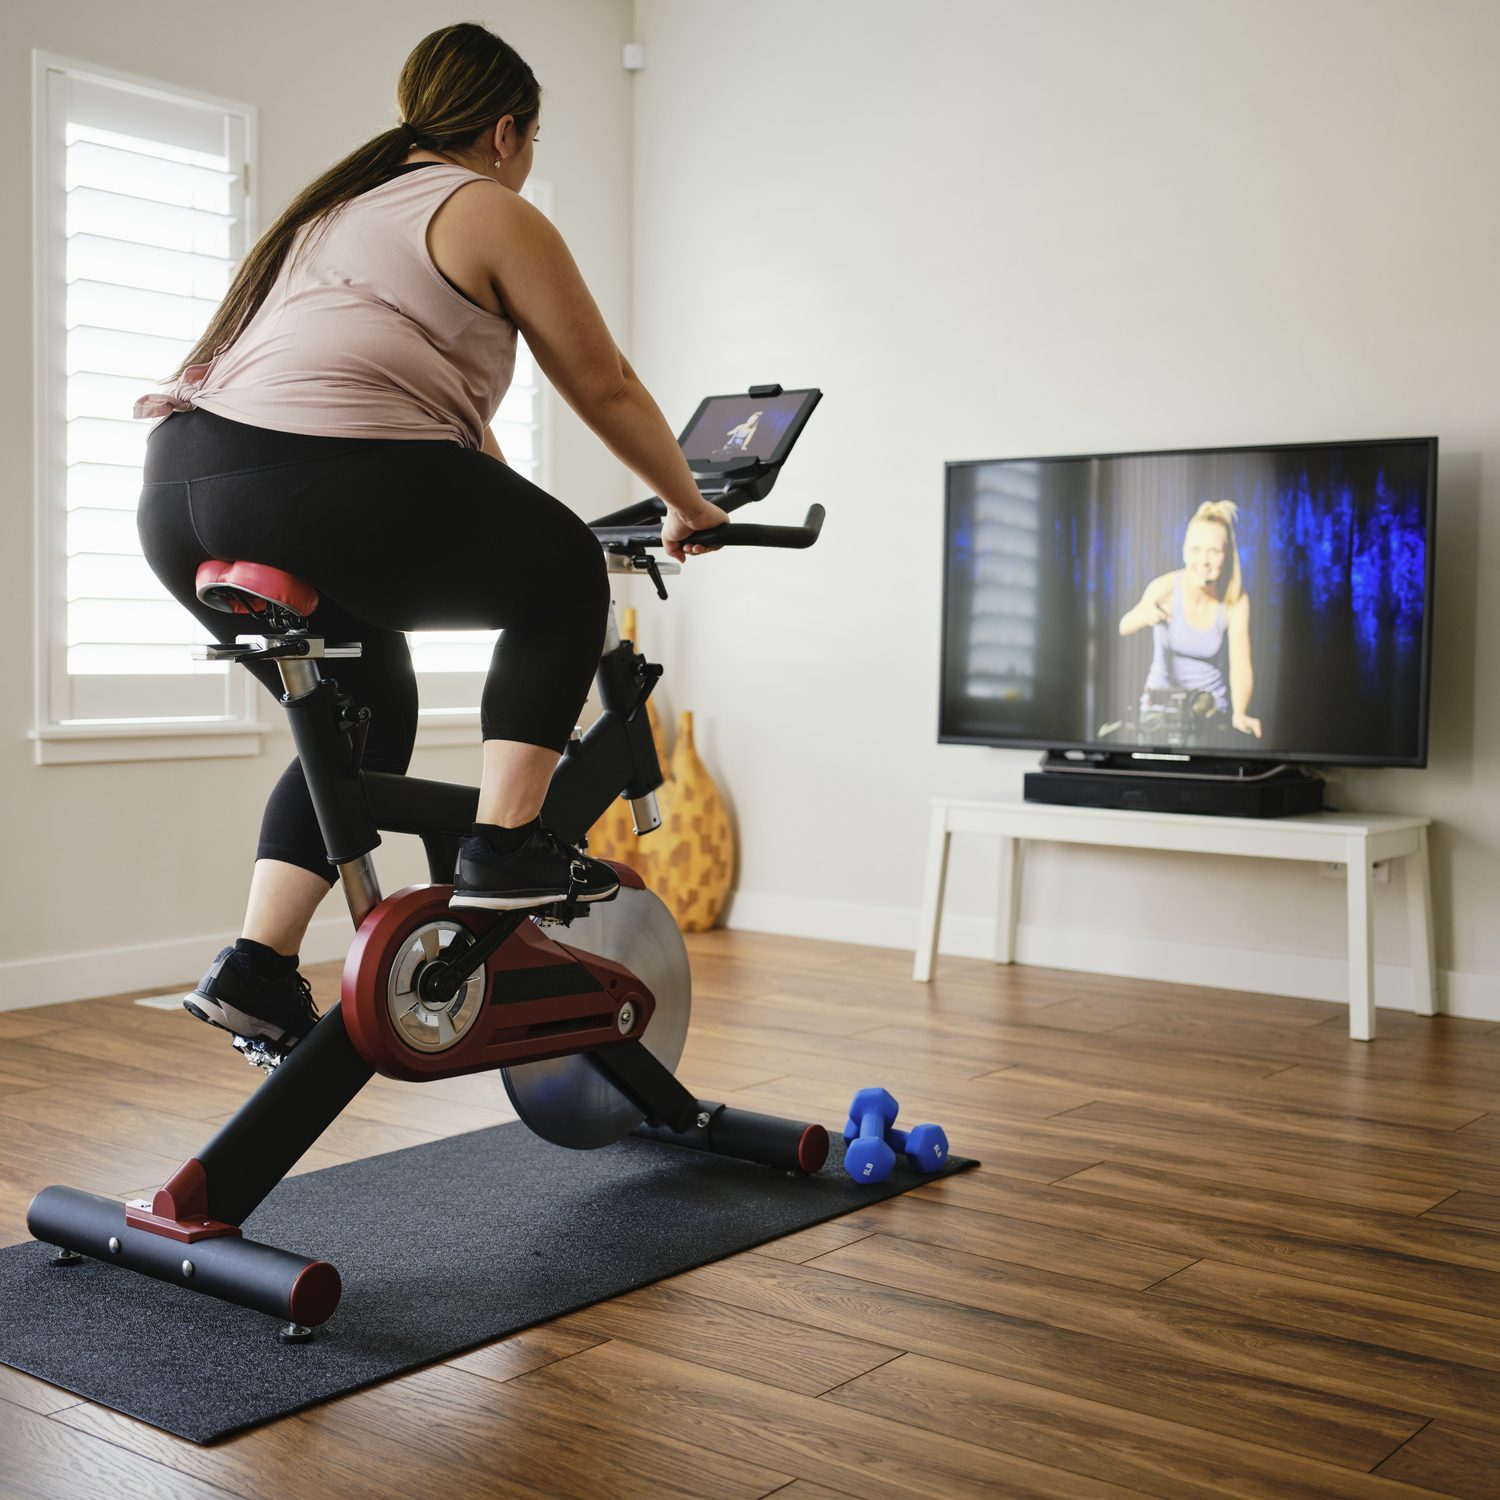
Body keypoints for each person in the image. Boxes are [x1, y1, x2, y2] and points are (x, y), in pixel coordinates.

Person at [134, 23, 729, 1056]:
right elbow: (604, 384)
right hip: (313, 481)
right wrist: (690, 503)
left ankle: (257, 969)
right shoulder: (490, 208)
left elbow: (441, 432)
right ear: (507, 133)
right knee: (560, 577)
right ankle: (503, 851)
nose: (529, 159)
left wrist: (512, 514)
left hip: (182, 490)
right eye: (533, 141)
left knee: (366, 706)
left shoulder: (336, 213)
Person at [1117, 500, 1262, 739]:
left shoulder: (1236, 599)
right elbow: (1124, 626)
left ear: (1226, 555)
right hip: (1159, 711)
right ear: (1184, 550)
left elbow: (1240, 665)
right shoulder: (1165, 587)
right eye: (1196, 549)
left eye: (1213, 551)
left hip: (1208, 710)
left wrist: (1241, 712)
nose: (1203, 561)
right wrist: (1143, 615)